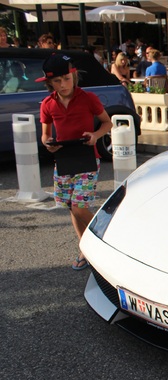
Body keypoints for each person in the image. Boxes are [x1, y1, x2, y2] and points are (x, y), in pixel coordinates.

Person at [37, 53, 112, 271]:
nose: (63, 84)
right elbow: (44, 135)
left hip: (87, 157)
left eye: (66, 79)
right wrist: (48, 143)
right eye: (57, 81)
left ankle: (103, 238)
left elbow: (107, 123)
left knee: (79, 207)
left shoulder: (88, 98)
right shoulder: (47, 104)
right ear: (50, 83)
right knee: (72, 206)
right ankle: (84, 248)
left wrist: (96, 135)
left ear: (74, 76)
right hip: (63, 158)